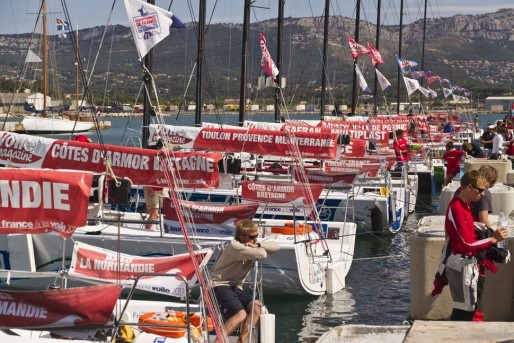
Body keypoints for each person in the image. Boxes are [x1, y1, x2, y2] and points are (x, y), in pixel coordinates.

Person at [444, 170, 507, 321]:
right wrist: (492, 239)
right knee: (463, 312)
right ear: (468, 188)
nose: (483, 194)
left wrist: (475, 226)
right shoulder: (458, 208)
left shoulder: (464, 203)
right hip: (461, 265)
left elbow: (463, 231)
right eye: (480, 190)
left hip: (467, 265)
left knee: (469, 309)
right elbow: (466, 243)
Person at [211, 220, 280, 343]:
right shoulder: (234, 246)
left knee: (256, 308)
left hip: (235, 287)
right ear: (241, 237)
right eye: (252, 237)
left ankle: (241, 341)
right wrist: (257, 247)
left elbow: (276, 246)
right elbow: (262, 254)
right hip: (220, 285)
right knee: (241, 315)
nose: (255, 239)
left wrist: (257, 244)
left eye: (256, 236)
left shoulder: (249, 244)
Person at [471, 165, 510, 321]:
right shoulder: (484, 194)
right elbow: (483, 220)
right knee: (477, 290)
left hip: (465, 245)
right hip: (477, 247)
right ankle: (476, 322)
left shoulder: (465, 190)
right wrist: (493, 238)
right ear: (491, 181)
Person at [143, 139, 168, 230]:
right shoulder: (148, 158)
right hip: (152, 188)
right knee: (154, 213)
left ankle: (168, 230)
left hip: (162, 186)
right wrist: (148, 186)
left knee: (169, 210)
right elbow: (145, 173)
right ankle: (147, 231)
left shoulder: (163, 155)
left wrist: (162, 146)